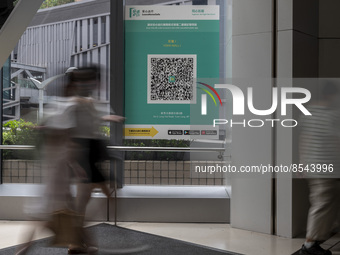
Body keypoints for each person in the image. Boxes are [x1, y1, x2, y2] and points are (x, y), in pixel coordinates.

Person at [299, 82, 340, 255]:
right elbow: (335, 141)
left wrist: (302, 162)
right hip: (326, 166)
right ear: (332, 96)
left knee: (321, 202)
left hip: (313, 165)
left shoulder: (310, 112)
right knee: (322, 204)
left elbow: (305, 137)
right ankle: (309, 245)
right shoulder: (332, 115)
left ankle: (314, 241)